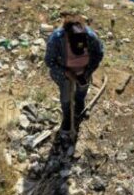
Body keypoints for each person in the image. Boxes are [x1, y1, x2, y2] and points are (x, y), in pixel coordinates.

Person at [44, 11, 104, 142]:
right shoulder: (56, 39)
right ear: (66, 36)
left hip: (84, 71)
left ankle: (79, 104)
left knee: (82, 88)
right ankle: (67, 116)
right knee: (66, 97)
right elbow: (49, 61)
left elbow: (99, 53)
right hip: (63, 73)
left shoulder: (89, 35)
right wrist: (66, 73)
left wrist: (87, 71)